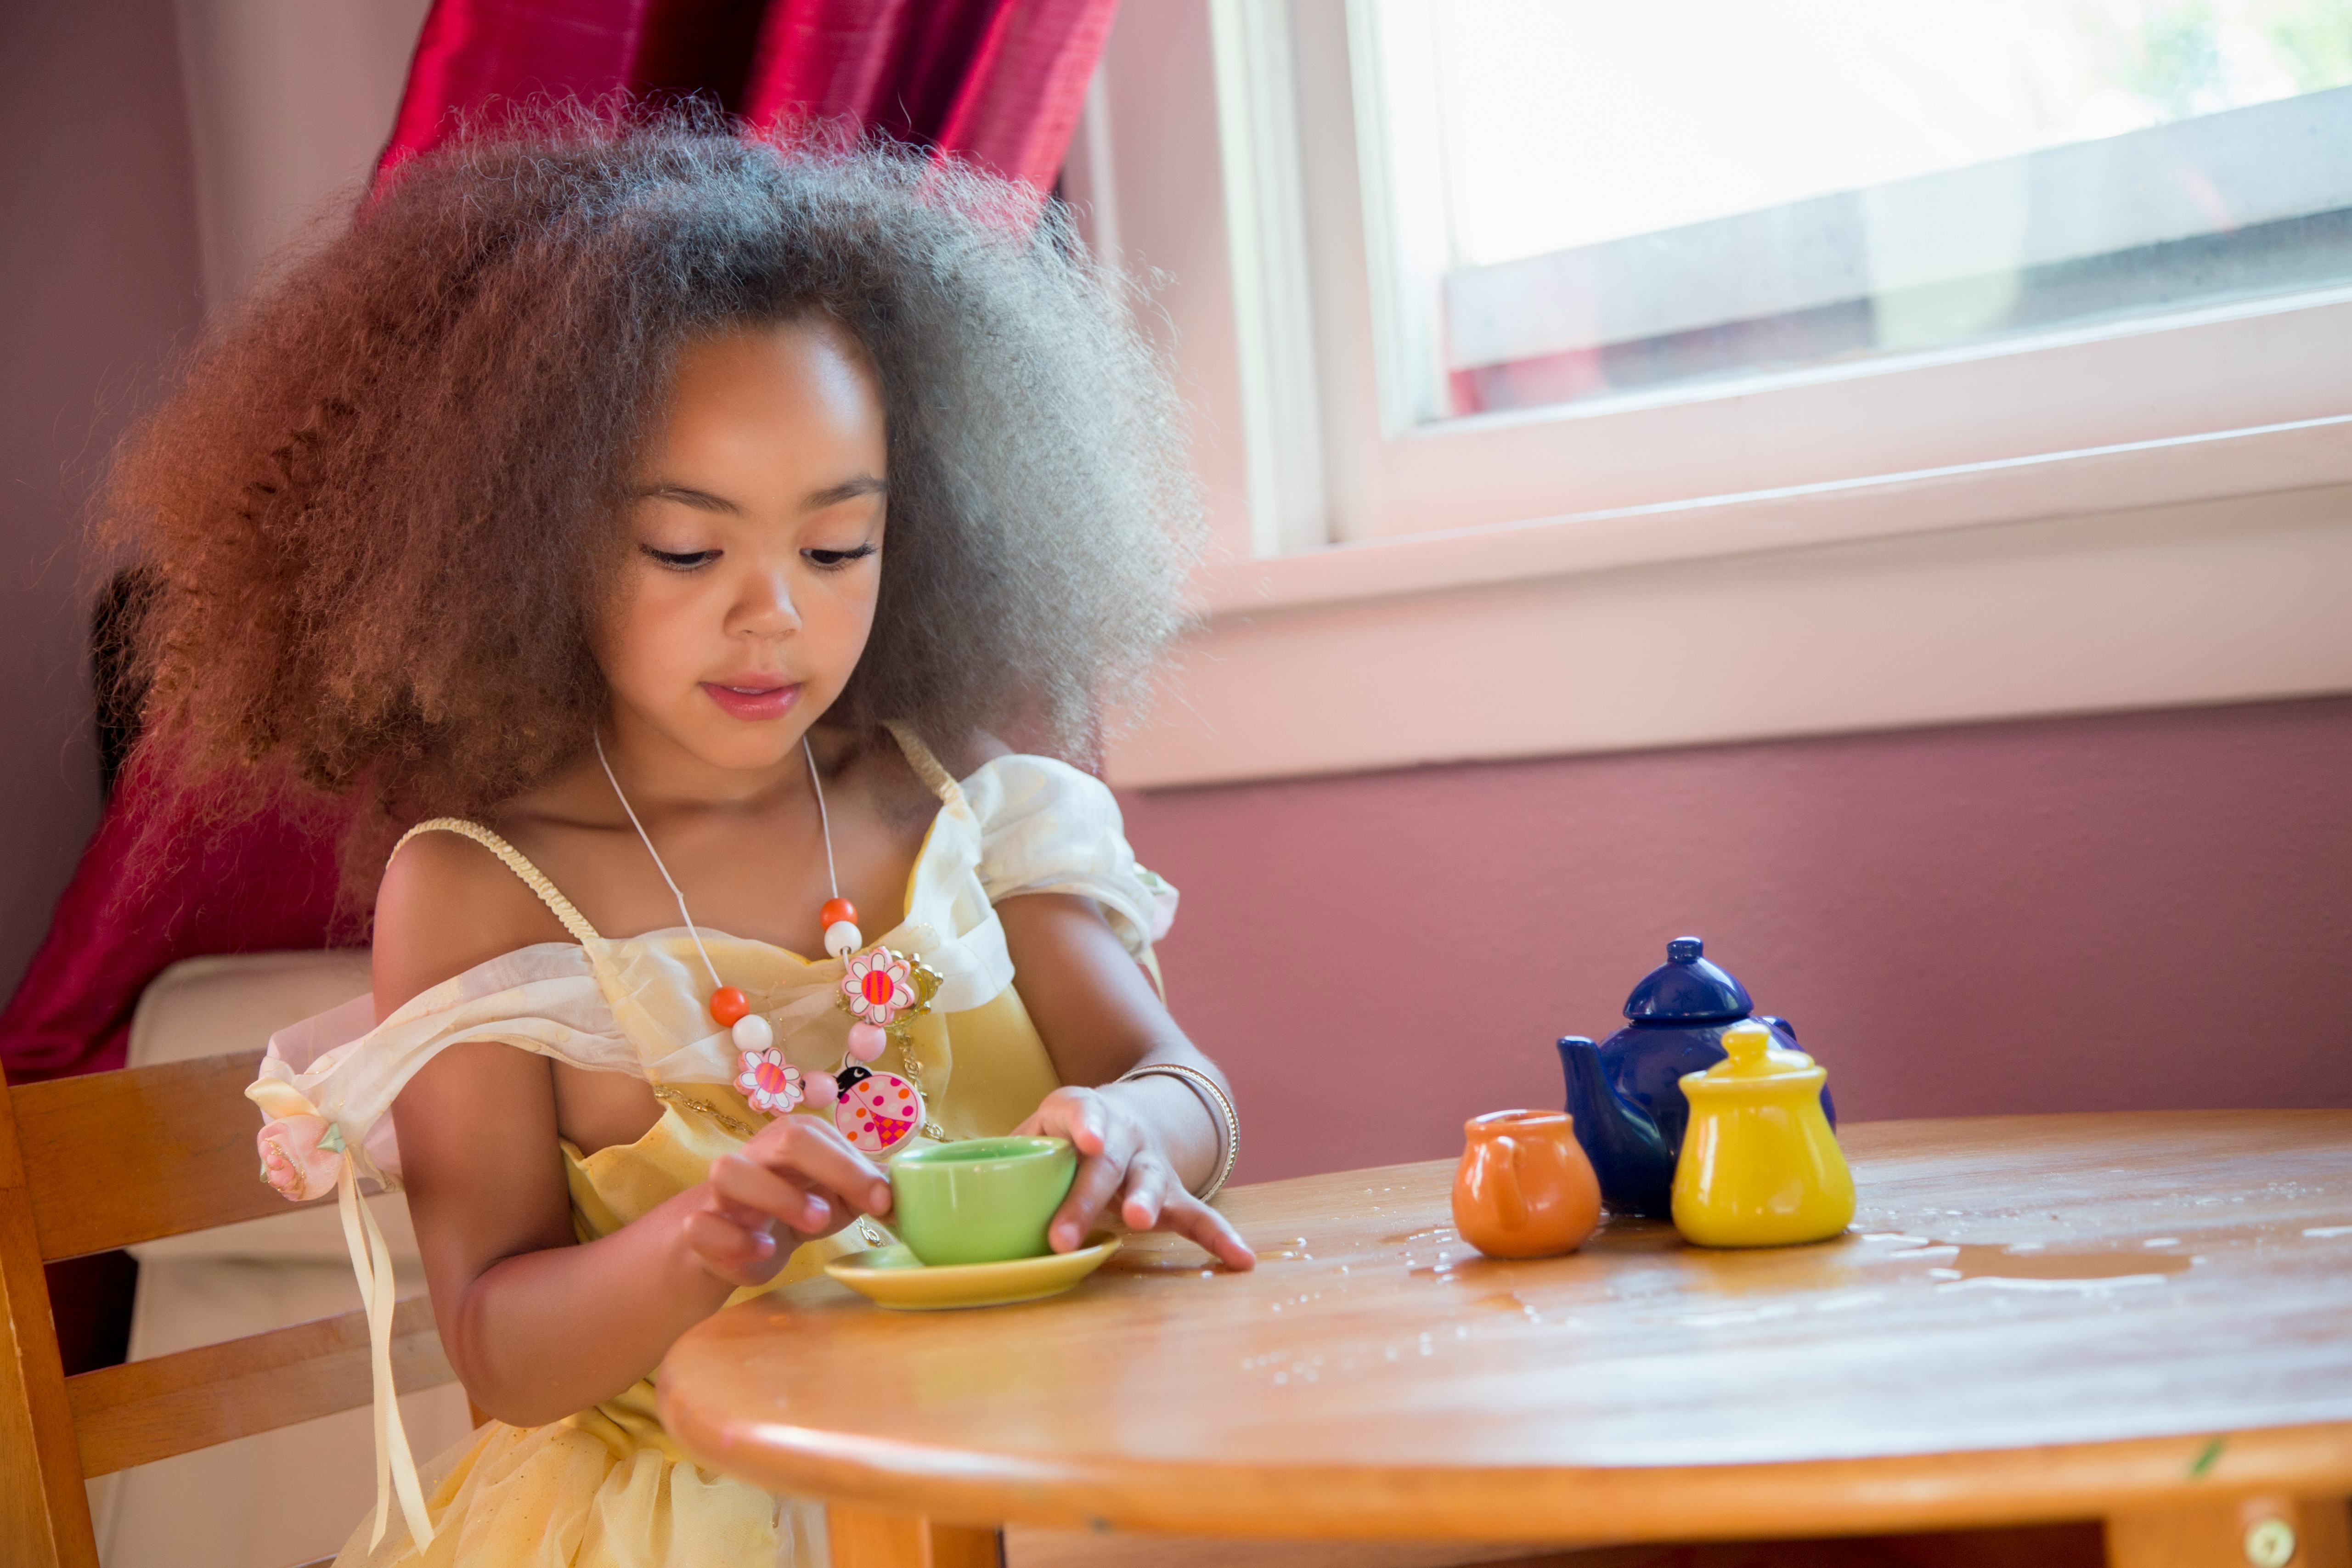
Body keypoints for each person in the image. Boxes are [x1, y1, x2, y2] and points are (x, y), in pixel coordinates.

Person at [98, 114, 1252, 1567]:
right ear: (524, 540)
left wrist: (1141, 1130)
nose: (773, 615)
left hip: (1022, 1485)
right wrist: (697, 1237)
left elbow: (1179, 1080)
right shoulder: (476, 891)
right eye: (688, 551)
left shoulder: (952, 797)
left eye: (837, 548)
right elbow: (498, 1351)